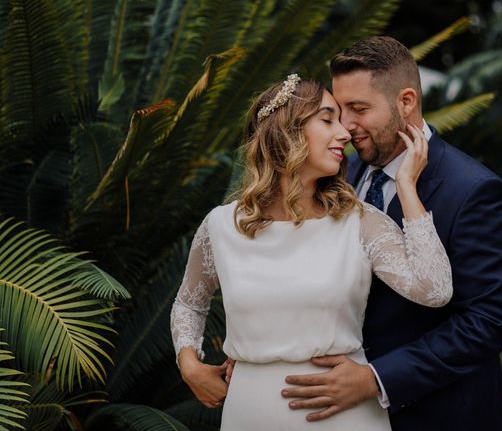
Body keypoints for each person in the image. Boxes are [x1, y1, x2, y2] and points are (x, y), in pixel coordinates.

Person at [169, 75, 453, 430]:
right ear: (287, 130)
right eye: (328, 119)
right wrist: (190, 364)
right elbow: (189, 303)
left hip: (344, 417)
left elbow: (435, 290)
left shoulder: (360, 223)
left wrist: (407, 188)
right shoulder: (221, 226)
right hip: (248, 415)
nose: (345, 133)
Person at [281, 37, 502, 430]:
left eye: (359, 109)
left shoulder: (475, 191)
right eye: (340, 111)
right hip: (338, 413)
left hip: (437, 414)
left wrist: (375, 378)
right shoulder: (342, 174)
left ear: (406, 102)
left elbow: (486, 323)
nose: (346, 126)